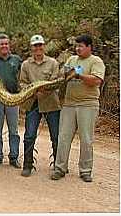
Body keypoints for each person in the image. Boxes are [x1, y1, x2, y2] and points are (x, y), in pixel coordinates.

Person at [51, 34, 105, 182]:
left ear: (89, 47)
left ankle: (85, 171)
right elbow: (63, 75)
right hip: (69, 104)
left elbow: (97, 80)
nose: (78, 49)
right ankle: (60, 168)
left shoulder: (96, 61)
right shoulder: (72, 60)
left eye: (81, 46)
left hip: (87, 104)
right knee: (63, 137)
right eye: (76, 46)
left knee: (86, 139)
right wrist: (67, 72)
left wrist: (79, 74)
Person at [19, 35, 61, 177]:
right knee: (29, 135)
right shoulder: (26, 65)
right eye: (35, 45)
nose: (38, 48)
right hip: (33, 103)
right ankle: (27, 165)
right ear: (31, 48)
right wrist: (33, 92)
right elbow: (22, 83)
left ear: (44, 46)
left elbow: (55, 82)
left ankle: (58, 165)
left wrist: (43, 90)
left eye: (40, 45)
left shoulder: (53, 63)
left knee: (56, 136)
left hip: (51, 103)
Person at [0, 33, 22, 169]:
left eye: (6, 44)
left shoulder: (17, 60)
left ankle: (14, 157)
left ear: (10, 45)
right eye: (1, 44)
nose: (4, 46)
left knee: (14, 130)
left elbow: (22, 77)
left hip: (13, 99)